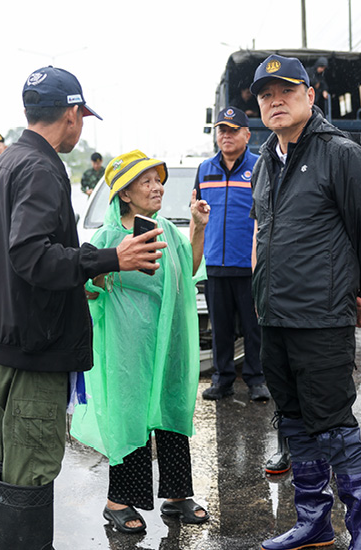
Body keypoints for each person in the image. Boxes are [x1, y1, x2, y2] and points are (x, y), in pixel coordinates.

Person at [0, 66, 166, 549]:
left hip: (6, 338)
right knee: (32, 469)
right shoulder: (41, 167)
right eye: (82, 116)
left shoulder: (6, 162)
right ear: (72, 114)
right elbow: (30, 254)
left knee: (14, 464)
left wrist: (75, 276)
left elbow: (13, 255)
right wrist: (108, 257)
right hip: (33, 346)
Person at [250, 54, 361, 550]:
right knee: (293, 422)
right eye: (266, 95)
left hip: (320, 318)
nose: (275, 101)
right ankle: (312, 524)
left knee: (334, 427)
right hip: (275, 318)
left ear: (310, 96)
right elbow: (262, 233)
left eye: (286, 91)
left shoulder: (341, 153)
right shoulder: (265, 160)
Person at [71, 150, 210, 533]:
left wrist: (197, 228)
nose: (157, 187)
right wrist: (101, 278)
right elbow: (88, 287)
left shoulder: (164, 229)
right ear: (125, 194)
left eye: (158, 179)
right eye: (146, 181)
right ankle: (119, 502)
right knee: (130, 415)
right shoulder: (107, 237)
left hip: (168, 342)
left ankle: (177, 495)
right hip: (127, 345)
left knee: (172, 409)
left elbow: (190, 269)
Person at [196, 107, 269, 403]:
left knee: (254, 328)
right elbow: (196, 215)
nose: (226, 136)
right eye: (222, 130)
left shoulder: (260, 166)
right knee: (221, 328)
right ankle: (222, 379)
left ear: (247, 134)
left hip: (248, 263)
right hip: (215, 263)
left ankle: (256, 380)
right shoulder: (204, 169)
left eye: (233, 130)